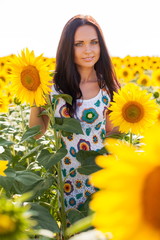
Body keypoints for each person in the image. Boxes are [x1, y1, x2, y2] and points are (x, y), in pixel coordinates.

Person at [29, 14, 120, 215]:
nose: (88, 50)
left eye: (93, 42)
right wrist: (35, 91)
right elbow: (36, 133)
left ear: (101, 46)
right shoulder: (53, 87)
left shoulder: (109, 88)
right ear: (67, 48)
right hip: (67, 181)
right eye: (79, 44)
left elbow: (113, 135)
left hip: (100, 176)